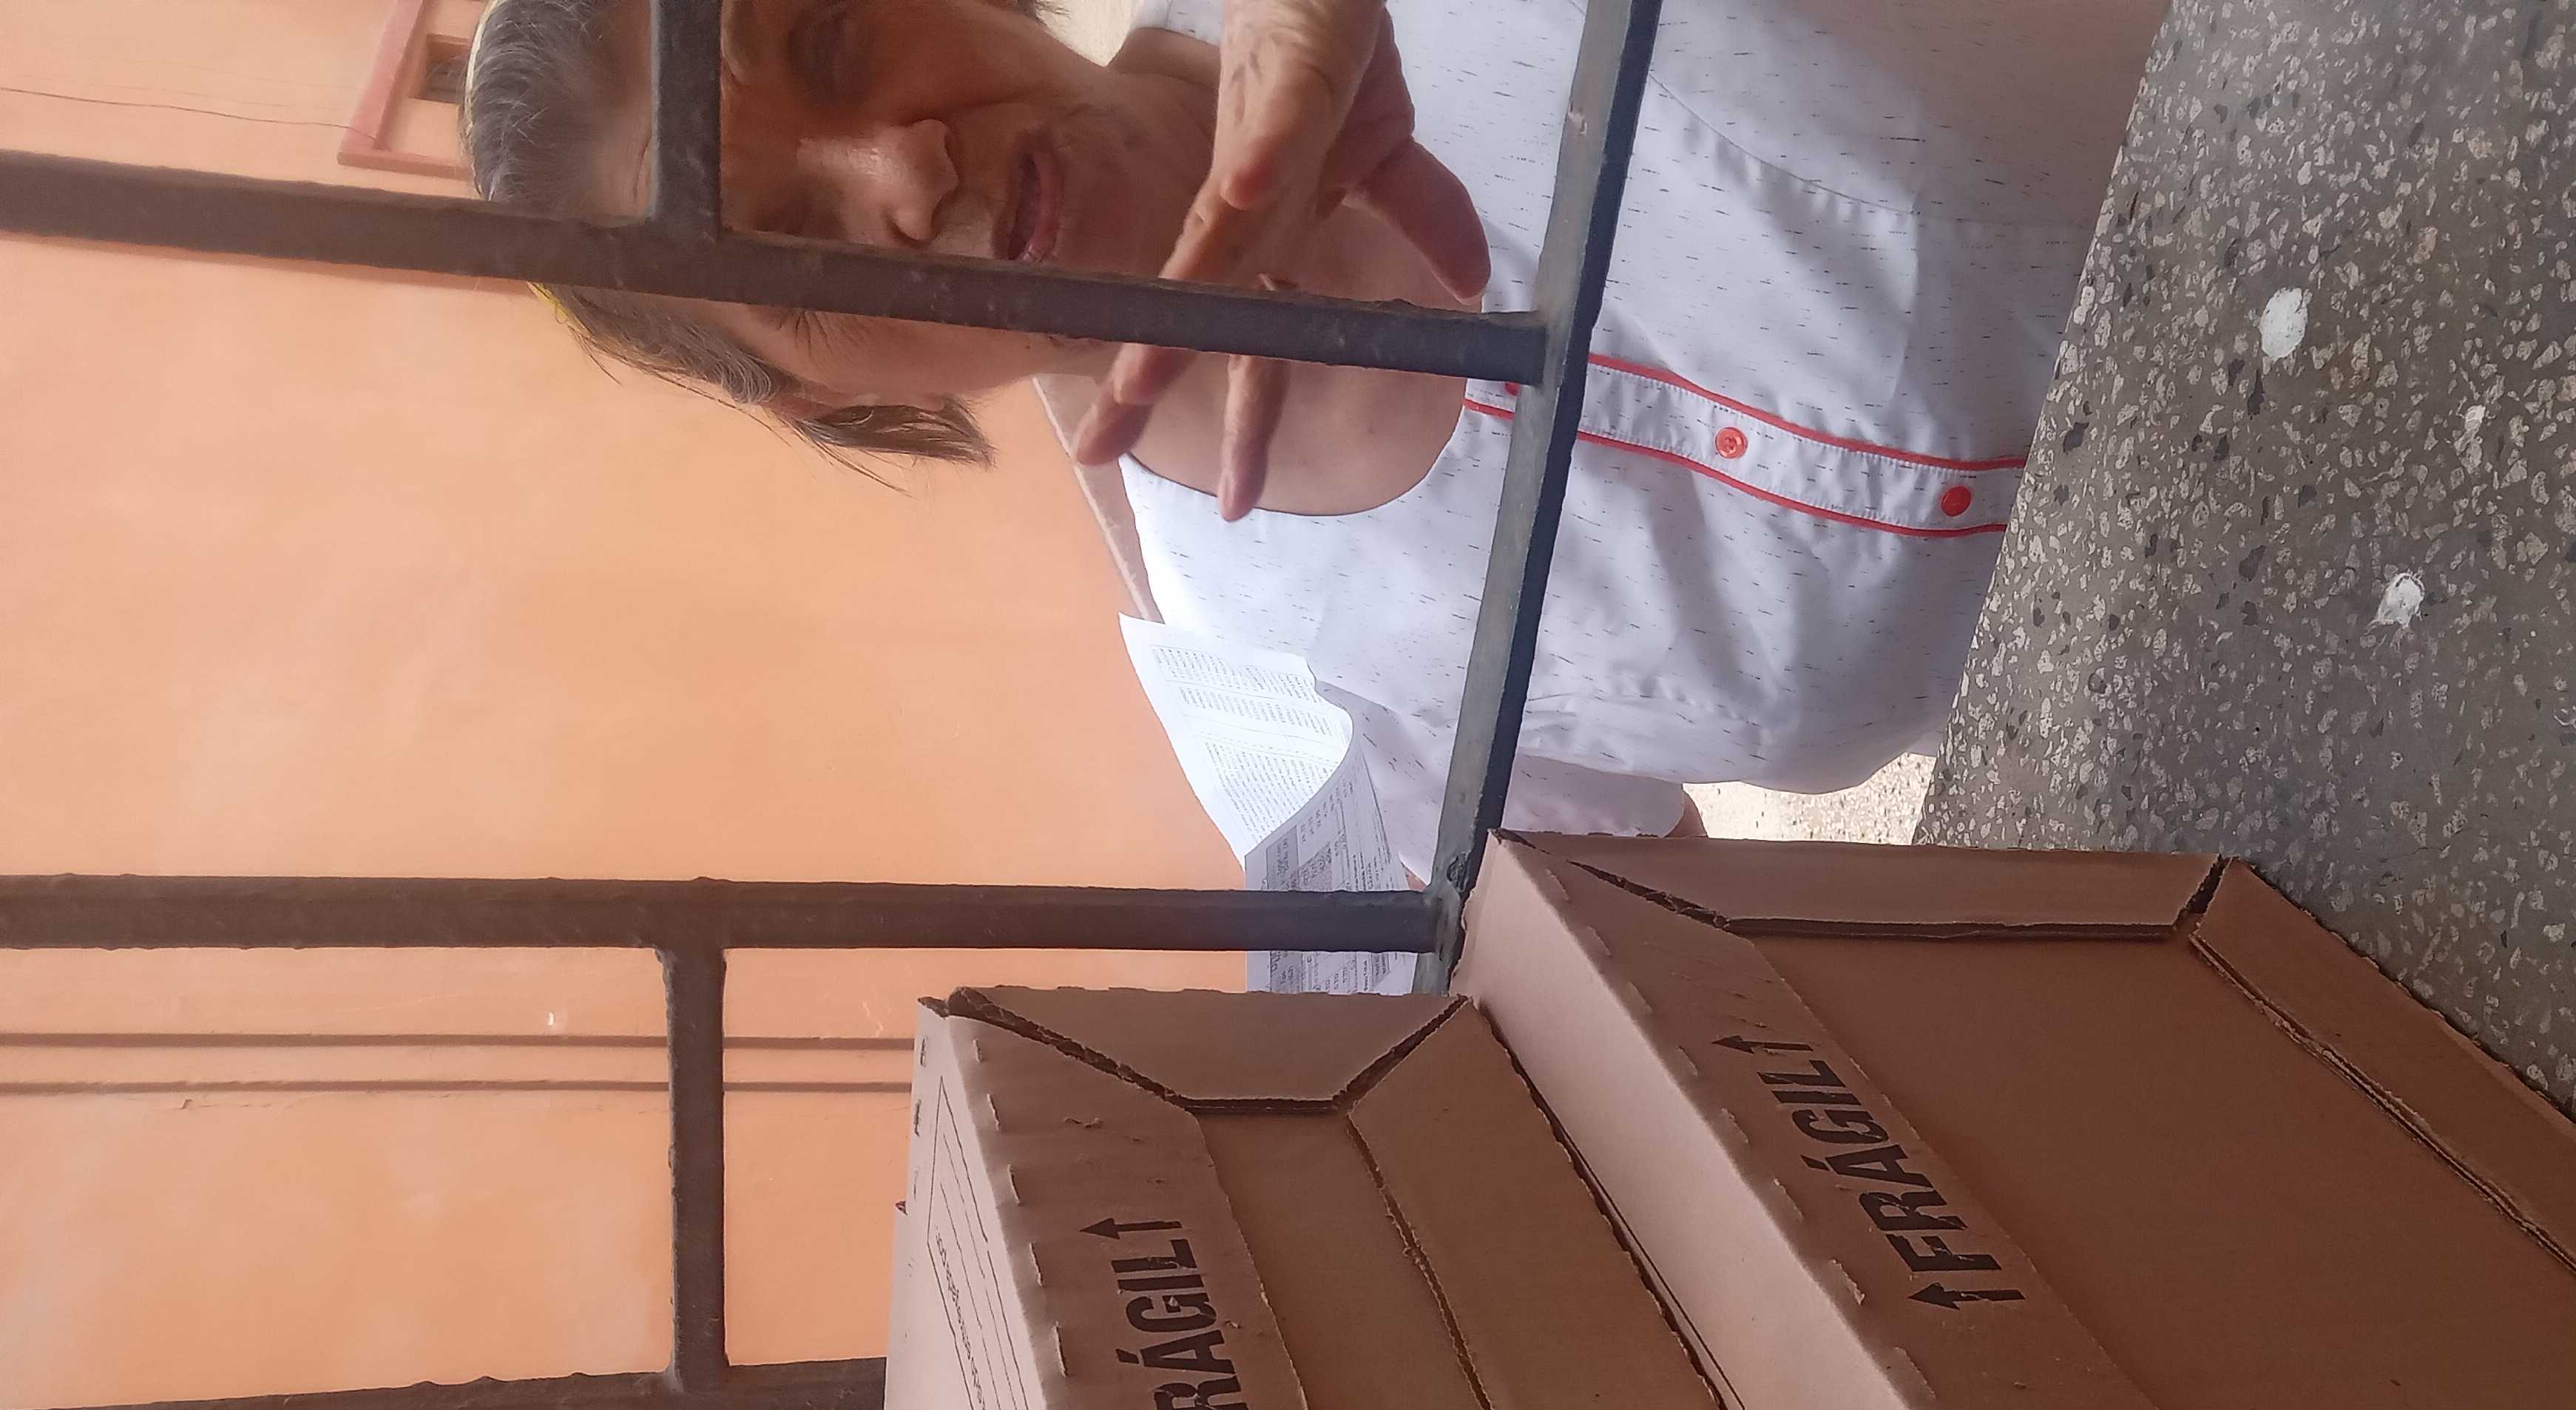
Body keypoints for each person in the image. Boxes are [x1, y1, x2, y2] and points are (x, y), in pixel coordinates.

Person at [465, 0, 2167, 865]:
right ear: (834, 396)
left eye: (833, 42)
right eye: (794, 243)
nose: (904, 173)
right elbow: (1674, 960)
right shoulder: (1277, 669)